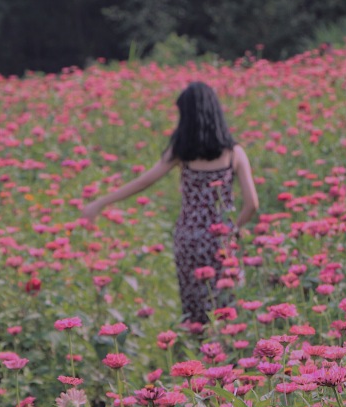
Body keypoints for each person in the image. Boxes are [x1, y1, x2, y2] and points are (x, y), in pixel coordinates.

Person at [81, 81, 259, 325]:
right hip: (220, 241)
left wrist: (100, 202)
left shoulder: (181, 151)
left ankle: (198, 354)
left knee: (195, 307)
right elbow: (252, 204)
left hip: (188, 239)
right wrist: (234, 230)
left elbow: (144, 182)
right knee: (227, 305)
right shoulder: (234, 153)